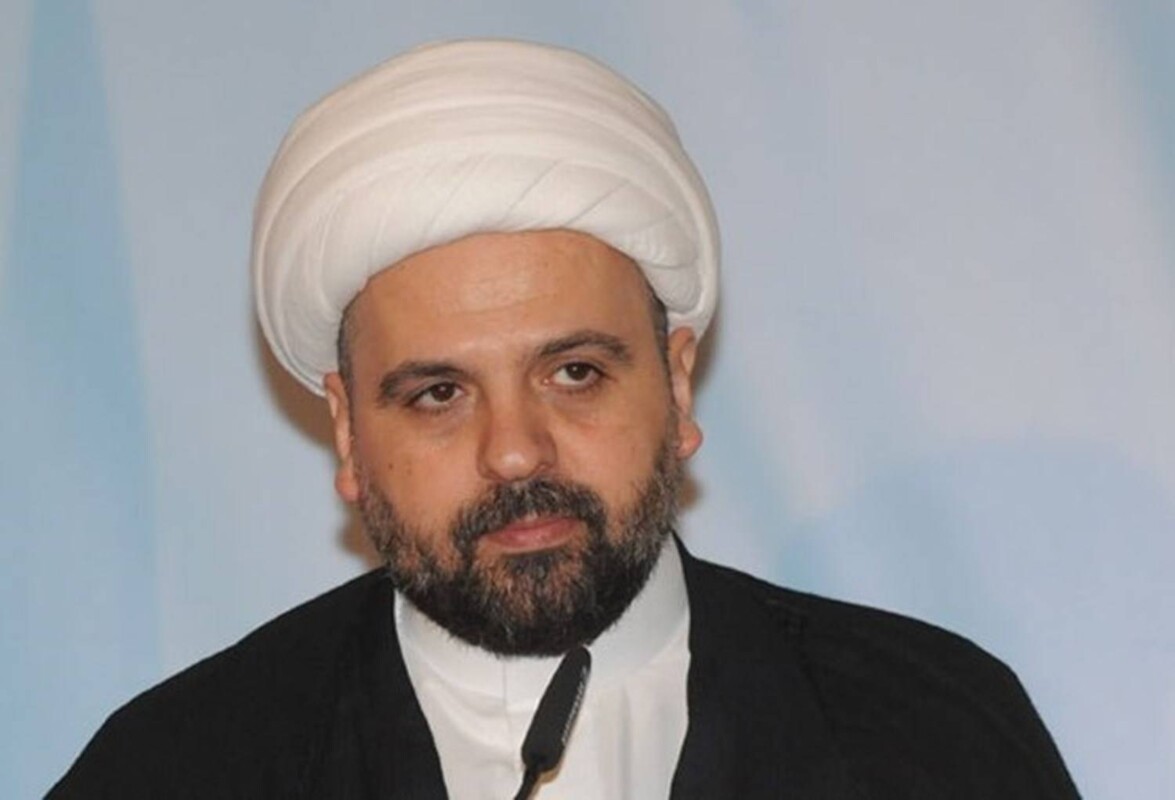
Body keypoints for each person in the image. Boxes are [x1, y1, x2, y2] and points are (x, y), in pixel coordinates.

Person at [50, 39, 1080, 799]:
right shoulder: (178, 765)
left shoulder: (928, 729)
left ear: (676, 386)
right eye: (438, 393)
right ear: (350, 433)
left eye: (574, 372)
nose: (514, 451)